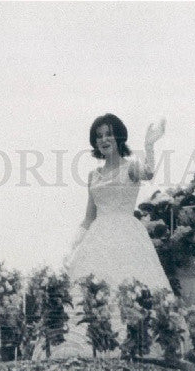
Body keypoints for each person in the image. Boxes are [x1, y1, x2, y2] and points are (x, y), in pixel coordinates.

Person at [49, 113, 172, 358]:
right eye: (99, 136)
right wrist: (73, 246)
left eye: (108, 134)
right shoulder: (93, 176)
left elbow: (148, 172)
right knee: (90, 295)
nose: (104, 139)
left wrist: (149, 144)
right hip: (98, 238)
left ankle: (136, 349)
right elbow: (89, 216)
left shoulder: (131, 167)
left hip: (128, 237)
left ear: (119, 136)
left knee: (130, 291)